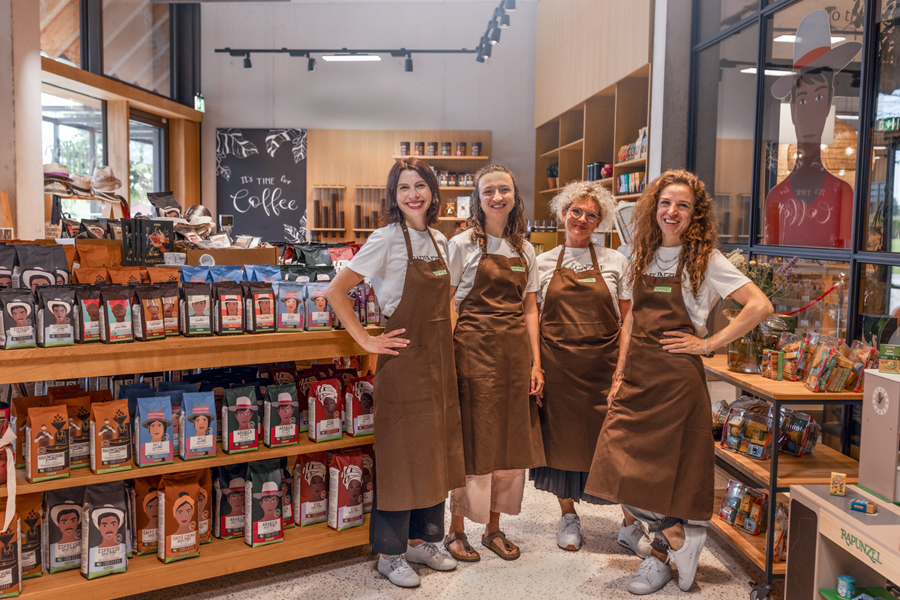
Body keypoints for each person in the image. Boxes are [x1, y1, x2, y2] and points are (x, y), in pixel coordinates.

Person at [585, 170, 773, 594]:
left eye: (683, 205)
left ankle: (660, 556)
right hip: (636, 376)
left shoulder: (705, 261)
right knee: (613, 466)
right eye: (666, 203)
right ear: (654, 208)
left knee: (665, 472)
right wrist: (619, 372)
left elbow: (759, 305)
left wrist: (708, 344)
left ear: (695, 215)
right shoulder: (641, 252)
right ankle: (679, 540)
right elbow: (632, 318)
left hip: (676, 380)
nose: (673, 211)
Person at [324, 156, 465, 588]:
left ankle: (423, 540)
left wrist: (448, 335)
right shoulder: (386, 239)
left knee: (435, 453)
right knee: (402, 456)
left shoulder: (441, 241)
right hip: (403, 363)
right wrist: (366, 341)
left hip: (439, 362)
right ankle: (390, 550)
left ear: (433, 192)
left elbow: (448, 302)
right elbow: (336, 291)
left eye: (420, 185)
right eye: (404, 187)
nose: (413, 194)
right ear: (394, 196)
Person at [529, 180, 646, 554]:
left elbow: (628, 320)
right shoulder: (542, 262)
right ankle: (568, 517)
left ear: (601, 222)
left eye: (591, 215)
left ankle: (630, 523)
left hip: (604, 368)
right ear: (563, 214)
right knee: (561, 444)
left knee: (614, 445)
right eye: (575, 212)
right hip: (558, 368)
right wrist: (537, 366)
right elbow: (532, 315)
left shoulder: (615, 261)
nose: (582, 219)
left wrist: (621, 371)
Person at [445, 164, 544, 562]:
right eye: (489, 191)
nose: (497, 197)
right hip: (472, 353)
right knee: (474, 442)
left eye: (504, 190)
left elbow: (531, 310)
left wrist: (536, 364)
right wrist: (447, 358)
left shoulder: (525, 248)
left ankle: (493, 528)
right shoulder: (463, 243)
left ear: (515, 197)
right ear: (478, 199)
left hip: (514, 357)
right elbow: (448, 303)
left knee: (508, 442)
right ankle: (455, 531)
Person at [763, 10, 860, 248]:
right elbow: (769, 260)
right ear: (793, 110)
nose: (810, 114)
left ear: (829, 104)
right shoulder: (776, 198)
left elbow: (846, 261)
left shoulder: (842, 194)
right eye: (803, 101)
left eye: (819, 98)